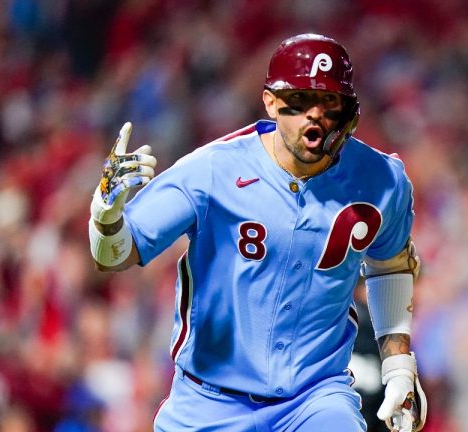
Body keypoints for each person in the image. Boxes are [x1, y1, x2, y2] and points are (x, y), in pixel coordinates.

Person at [88, 33, 427, 432]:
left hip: (315, 396)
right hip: (210, 398)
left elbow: (389, 264)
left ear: (349, 109)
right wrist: (106, 216)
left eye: (328, 101)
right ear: (270, 101)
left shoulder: (382, 180)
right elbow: (113, 255)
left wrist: (399, 364)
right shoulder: (213, 169)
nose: (313, 114)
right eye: (298, 101)